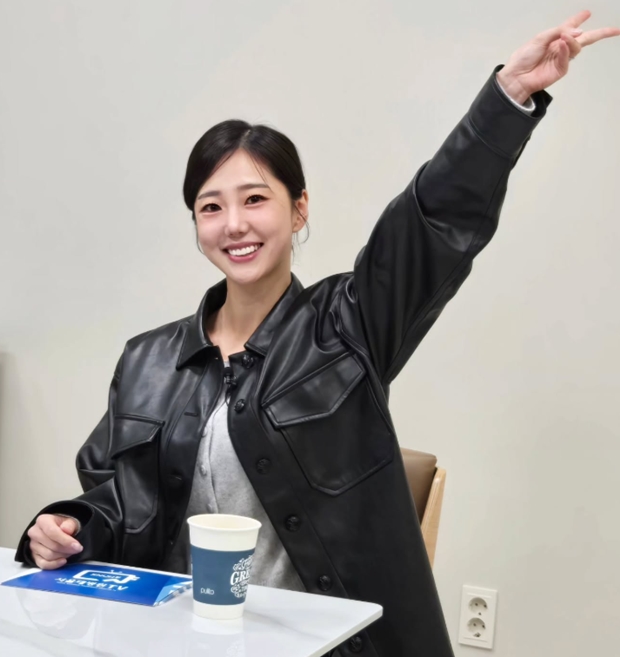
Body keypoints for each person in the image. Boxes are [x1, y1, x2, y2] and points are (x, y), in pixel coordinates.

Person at [15, 11, 619, 657]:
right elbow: (116, 502)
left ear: (298, 208)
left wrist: (506, 98)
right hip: (184, 639)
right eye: (211, 207)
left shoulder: (350, 324)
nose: (234, 224)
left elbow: (433, 222)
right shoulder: (147, 359)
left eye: (255, 199)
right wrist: (69, 524)